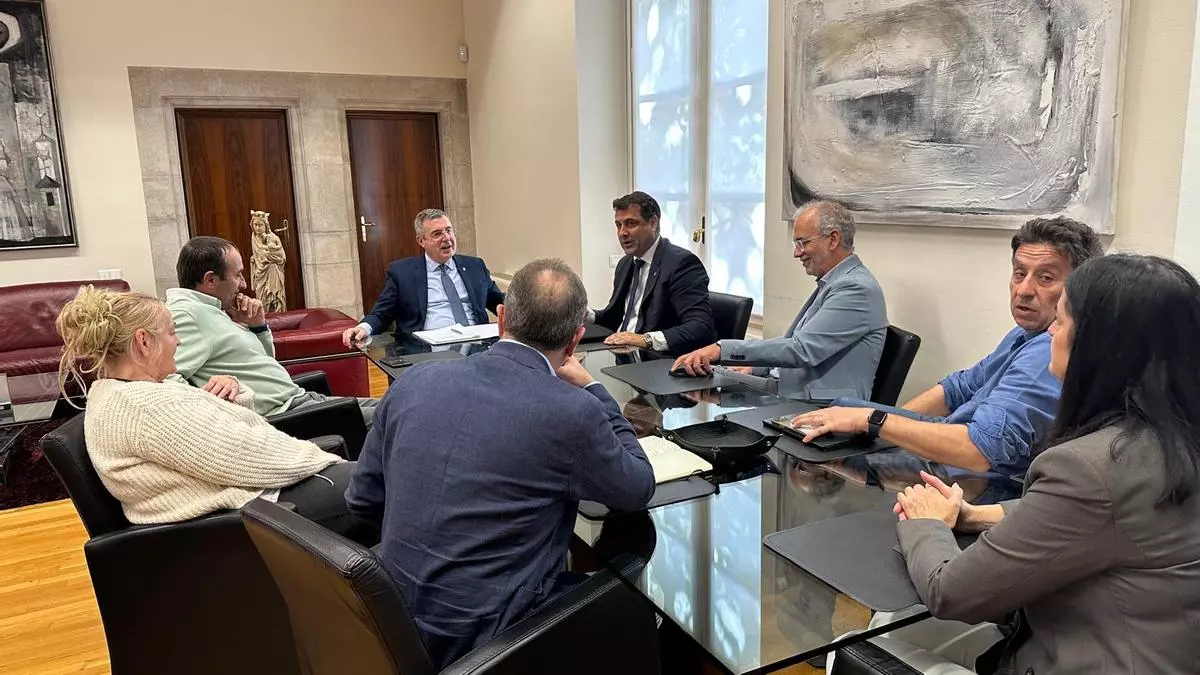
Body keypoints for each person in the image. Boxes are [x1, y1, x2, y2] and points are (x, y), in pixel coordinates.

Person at [862, 254, 1200, 674]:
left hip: (1081, 656)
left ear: (1100, 347)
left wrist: (926, 520)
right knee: (891, 626)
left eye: (1061, 321)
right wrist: (975, 514)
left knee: (853, 645)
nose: (1051, 333)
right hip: (1138, 647)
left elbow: (950, 593)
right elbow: (1107, 514)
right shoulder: (1172, 440)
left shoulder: (1090, 465)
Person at [346, 258, 655, 668]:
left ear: (502, 318)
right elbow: (637, 487)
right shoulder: (573, 410)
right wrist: (595, 389)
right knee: (636, 607)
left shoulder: (412, 382)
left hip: (385, 623)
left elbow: (362, 500)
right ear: (575, 340)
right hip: (489, 642)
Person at [793, 217, 1102, 476]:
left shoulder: (1047, 352)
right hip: (942, 460)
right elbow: (958, 388)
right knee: (835, 425)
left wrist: (873, 422)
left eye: (1045, 278)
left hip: (971, 483)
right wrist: (879, 429)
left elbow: (979, 450)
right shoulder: (1023, 333)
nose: (1023, 290)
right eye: (1019, 273)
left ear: (1078, 289)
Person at [55, 285, 357, 535]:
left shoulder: (133, 393)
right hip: (257, 517)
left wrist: (232, 394)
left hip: (253, 502)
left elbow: (215, 441)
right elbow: (247, 456)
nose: (178, 341)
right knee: (382, 484)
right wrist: (322, 459)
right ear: (144, 341)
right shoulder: (143, 408)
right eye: (172, 333)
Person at [672, 200, 887, 401]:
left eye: (802, 243)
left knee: (698, 395)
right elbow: (796, 346)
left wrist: (721, 349)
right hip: (788, 389)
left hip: (817, 406)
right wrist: (754, 368)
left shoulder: (856, 289)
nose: (797, 253)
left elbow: (801, 350)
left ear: (833, 239)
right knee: (697, 384)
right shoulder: (835, 282)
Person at [167, 236, 378, 424]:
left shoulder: (213, 309)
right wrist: (222, 402)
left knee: (393, 404)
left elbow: (267, 360)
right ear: (210, 280)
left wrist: (258, 327)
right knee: (394, 417)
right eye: (238, 275)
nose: (244, 284)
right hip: (288, 415)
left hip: (300, 400)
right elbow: (168, 382)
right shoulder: (186, 315)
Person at [342, 209, 504, 347]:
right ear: (421, 241)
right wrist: (363, 328)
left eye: (449, 230)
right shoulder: (402, 272)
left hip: (477, 345)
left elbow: (500, 302)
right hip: (426, 349)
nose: (446, 238)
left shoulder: (475, 266)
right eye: (437, 234)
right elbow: (381, 313)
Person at [590, 191, 716, 355]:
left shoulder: (682, 264)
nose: (622, 233)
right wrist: (587, 315)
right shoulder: (626, 264)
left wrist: (645, 340)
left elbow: (700, 327)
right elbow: (616, 317)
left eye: (630, 224)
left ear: (653, 223)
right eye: (618, 225)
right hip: (621, 353)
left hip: (656, 359)